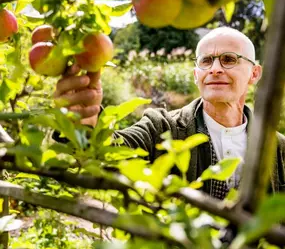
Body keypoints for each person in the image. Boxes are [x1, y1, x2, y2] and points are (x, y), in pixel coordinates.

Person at [40, 27, 285, 199]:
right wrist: (85, 126)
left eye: (229, 59)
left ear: (254, 74)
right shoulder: (162, 129)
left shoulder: (279, 148)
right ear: (195, 75)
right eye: (206, 61)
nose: (215, 69)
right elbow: (112, 153)